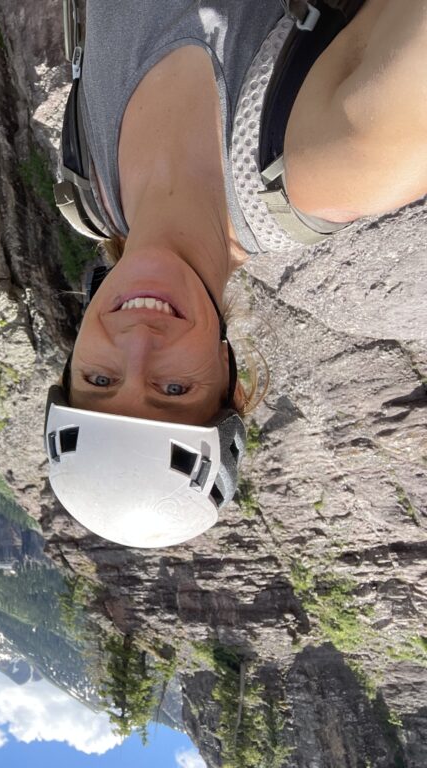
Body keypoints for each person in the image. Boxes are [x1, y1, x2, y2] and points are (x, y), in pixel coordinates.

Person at [45, 0, 427, 548]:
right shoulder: (346, 153)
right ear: (229, 378)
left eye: (100, 381)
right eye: (172, 388)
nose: (137, 345)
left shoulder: (90, 186)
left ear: (73, 360)